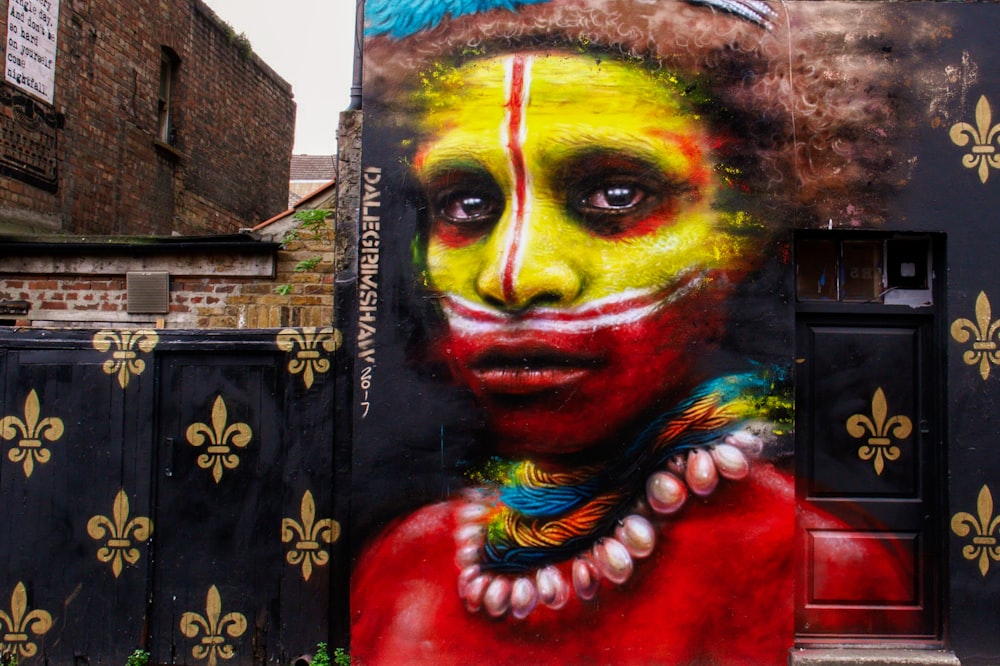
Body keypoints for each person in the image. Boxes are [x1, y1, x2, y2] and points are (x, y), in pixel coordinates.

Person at [352, 1, 931, 662]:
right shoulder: (401, 562)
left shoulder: (820, 573)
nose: (512, 276)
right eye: (467, 205)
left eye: (617, 194)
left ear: (743, 232)